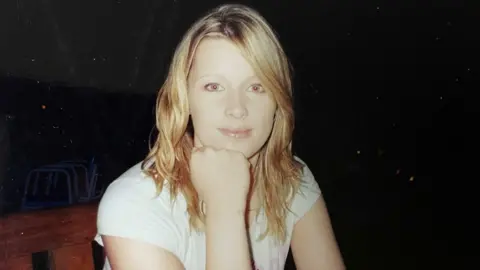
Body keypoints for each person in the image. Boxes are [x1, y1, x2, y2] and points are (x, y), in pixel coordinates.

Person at [94, 4, 345, 270]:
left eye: (257, 87)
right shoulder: (135, 204)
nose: (237, 108)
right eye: (213, 86)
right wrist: (224, 208)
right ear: (184, 97)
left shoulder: (293, 180)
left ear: (278, 101)